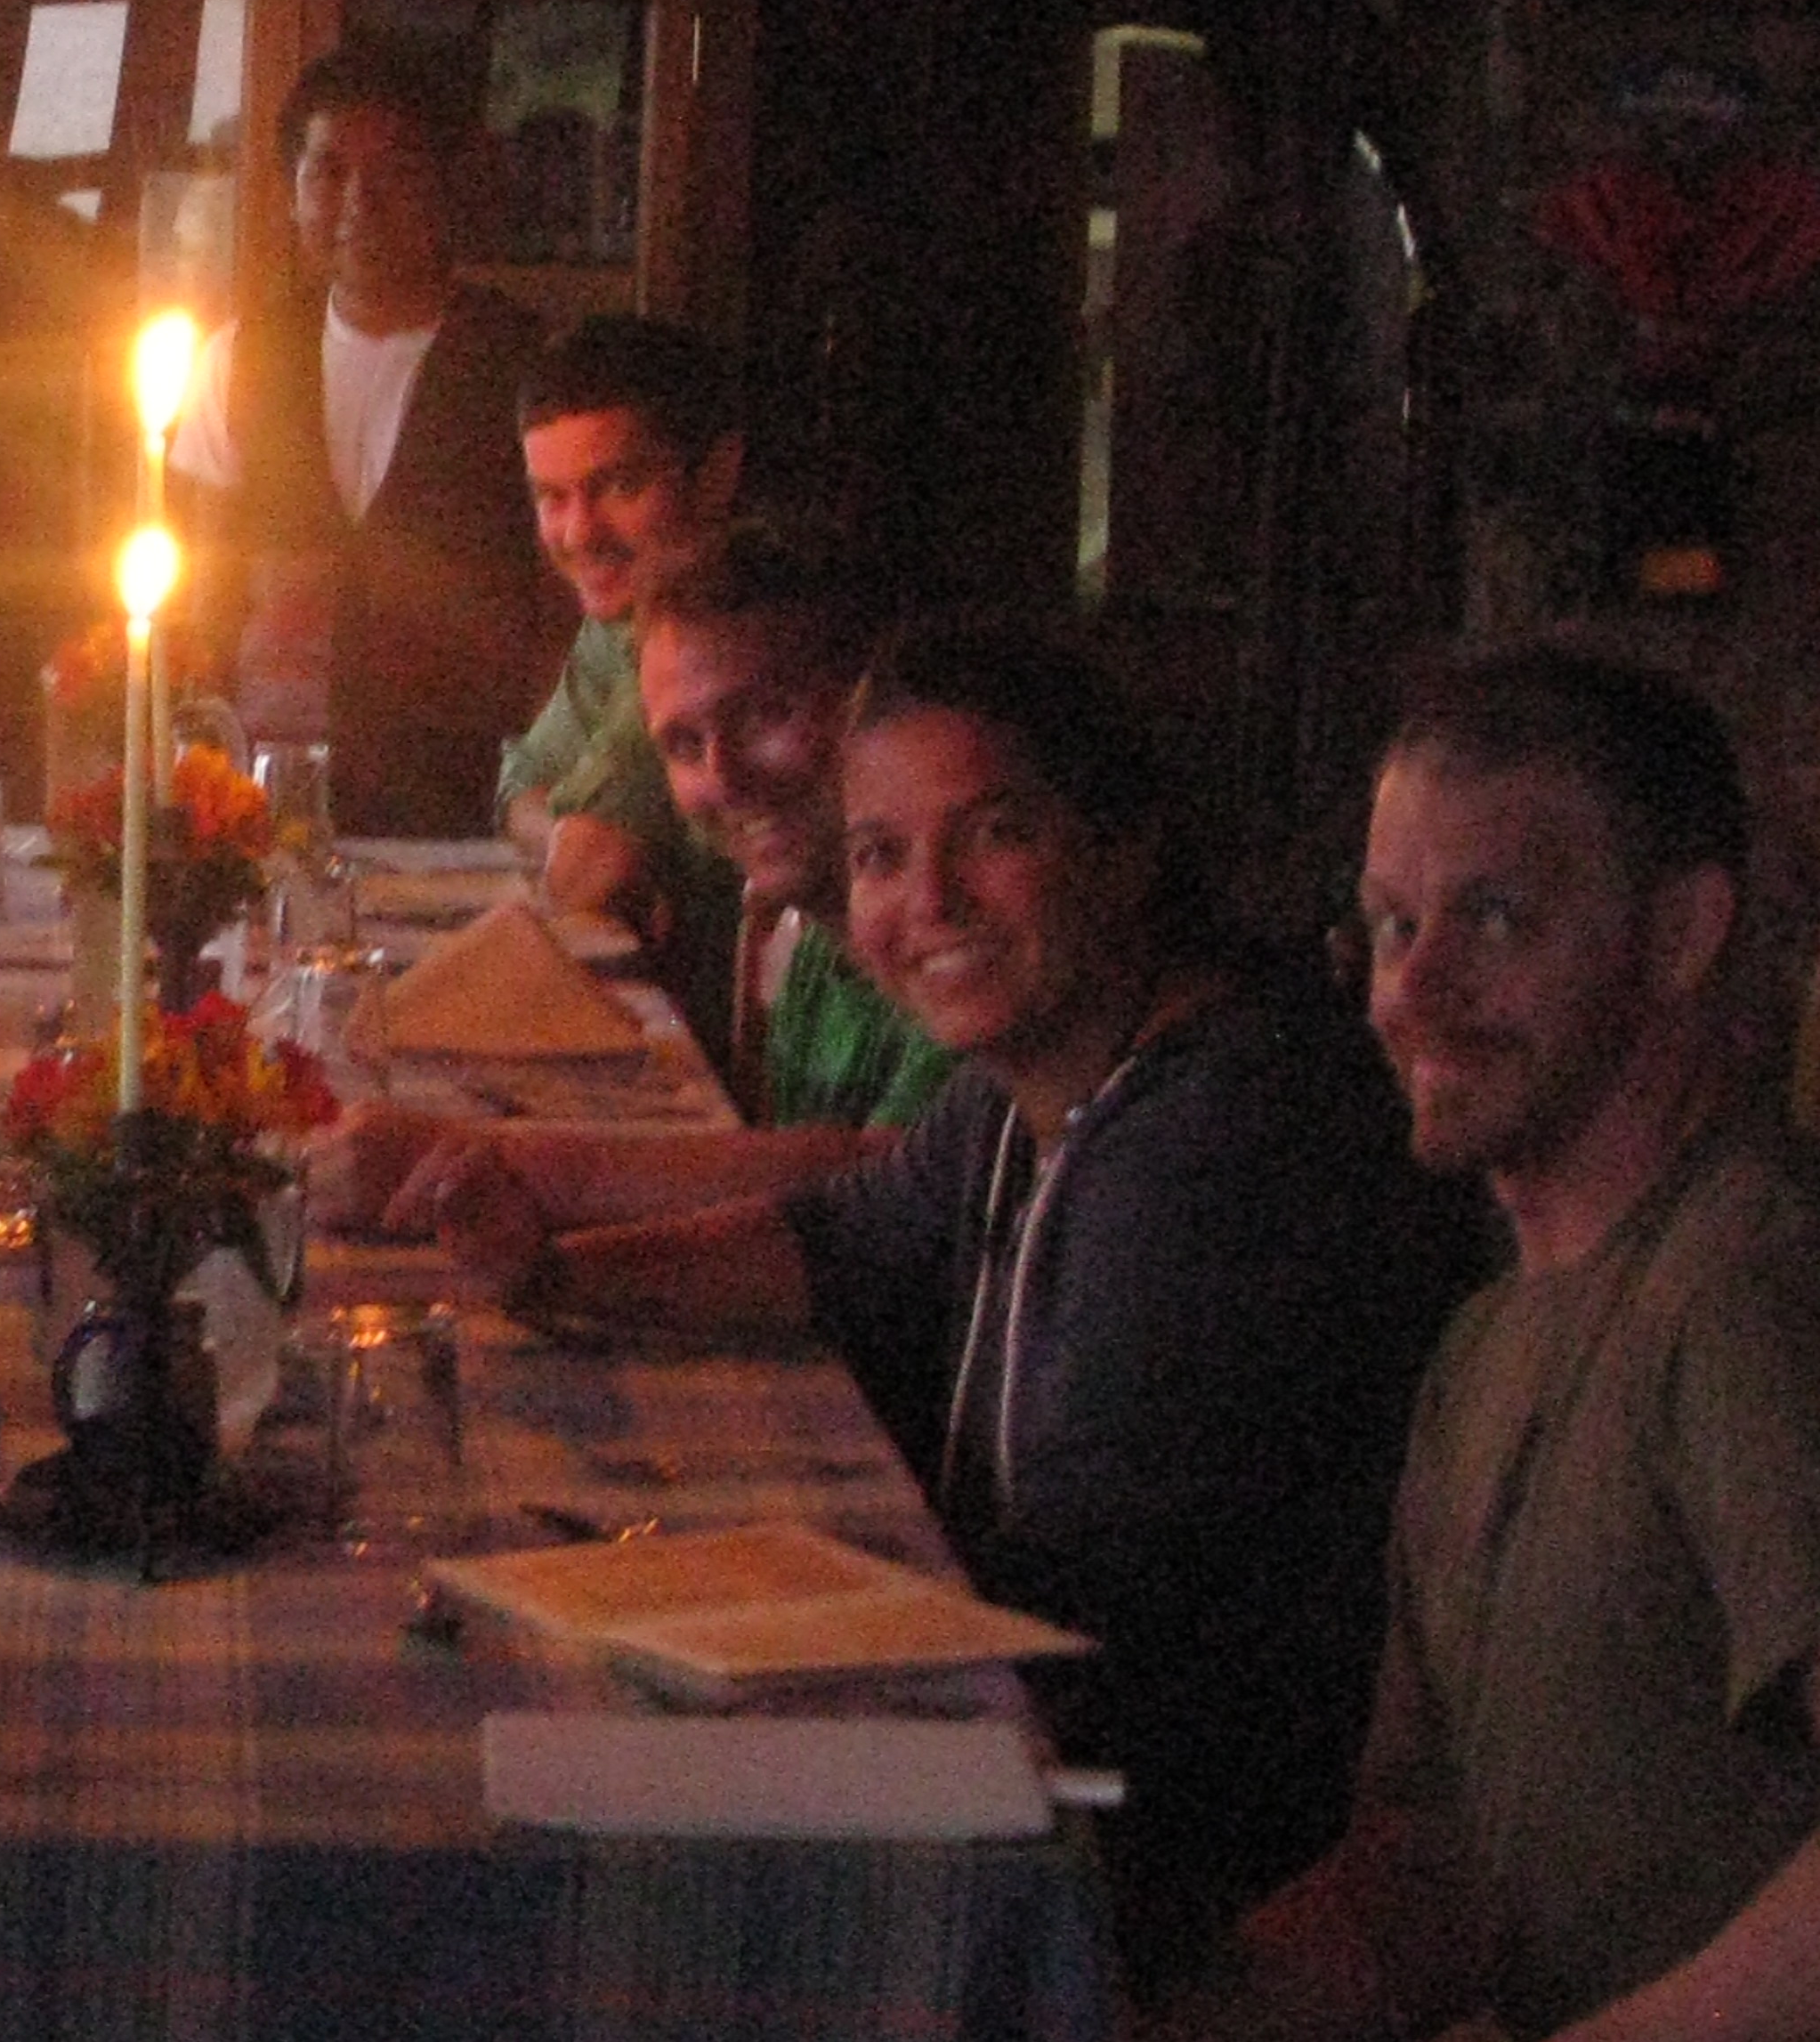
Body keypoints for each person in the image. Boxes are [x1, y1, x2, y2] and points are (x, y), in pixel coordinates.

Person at [399, 621, 1485, 1984]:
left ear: (1125, 846)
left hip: (1154, 1876)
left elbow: (1091, 1611)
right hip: (1057, 1773)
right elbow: (842, 1241)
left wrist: (731, 1614)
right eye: (881, 856)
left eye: (995, 835)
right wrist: (553, 1273)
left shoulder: (1216, 1144)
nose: (932, 902)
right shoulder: (1043, 1085)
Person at [1193, 646, 1820, 2042]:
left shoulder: (1744, 1291)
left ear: (1680, 936)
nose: (1409, 991)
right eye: (1391, 926)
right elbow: (1428, 1867)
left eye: (1494, 920)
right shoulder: (1485, 1343)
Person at [327, 518, 948, 1230]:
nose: (724, 777)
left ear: (864, 702)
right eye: (683, 744)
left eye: (765, 715)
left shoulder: (944, 919)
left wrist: (493, 1164)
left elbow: (898, 1181)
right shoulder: (807, 930)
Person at [166, 41, 559, 837]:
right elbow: (199, 594)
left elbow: (563, 607)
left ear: (444, 187)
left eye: (394, 173)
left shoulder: (528, 366)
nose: (359, 203)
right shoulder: (237, 360)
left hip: (468, 808)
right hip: (268, 803)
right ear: (291, 193)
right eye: (328, 172)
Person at [496, 312, 746, 929]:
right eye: (552, 498)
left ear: (718, 474)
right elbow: (519, 785)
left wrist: (576, 838)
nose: (580, 534)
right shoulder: (619, 618)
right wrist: (566, 831)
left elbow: (591, 869)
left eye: (620, 486)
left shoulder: (724, 632)